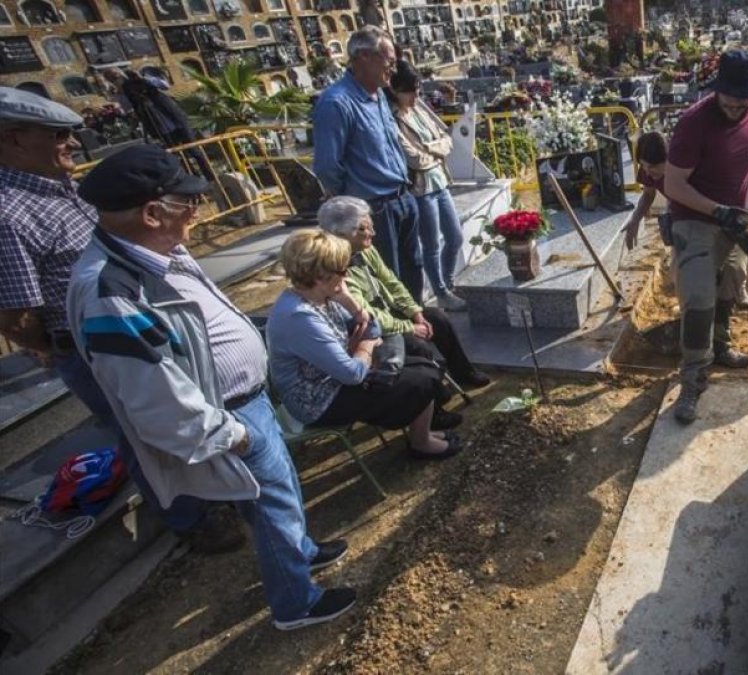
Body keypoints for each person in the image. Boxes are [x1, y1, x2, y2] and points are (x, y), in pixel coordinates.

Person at [68, 144, 355, 630]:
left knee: (279, 494)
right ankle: (296, 603)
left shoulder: (158, 250)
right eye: (188, 203)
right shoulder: (111, 293)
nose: (199, 211)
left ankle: (302, 552)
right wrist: (233, 434)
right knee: (272, 505)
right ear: (153, 212)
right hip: (229, 416)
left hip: (248, 402)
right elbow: (154, 397)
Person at [0, 88, 240, 552]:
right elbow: (14, 314)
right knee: (143, 433)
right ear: (13, 140)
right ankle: (193, 520)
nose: (73, 142)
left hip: (148, 325)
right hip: (96, 344)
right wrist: (56, 346)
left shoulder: (67, 187)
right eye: (58, 135)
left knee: (182, 410)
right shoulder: (8, 213)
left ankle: (216, 489)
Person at [662, 50, 748, 424]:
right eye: (730, 100)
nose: (738, 107)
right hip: (694, 219)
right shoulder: (694, 124)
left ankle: (720, 345)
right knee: (699, 297)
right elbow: (673, 185)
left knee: (731, 283)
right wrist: (717, 210)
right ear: (717, 89)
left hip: (733, 219)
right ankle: (693, 378)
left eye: (744, 100)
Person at [266, 229, 463, 459]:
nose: (347, 274)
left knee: (425, 366)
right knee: (421, 381)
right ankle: (421, 443)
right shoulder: (299, 317)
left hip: (335, 378)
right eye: (342, 269)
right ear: (320, 277)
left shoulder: (322, 296)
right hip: (317, 400)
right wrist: (366, 346)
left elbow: (374, 327)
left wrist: (352, 305)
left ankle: (422, 435)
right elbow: (353, 373)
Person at [316, 196, 490, 393]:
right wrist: (409, 327)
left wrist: (415, 312)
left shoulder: (365, 249)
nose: (372, 233)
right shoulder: (335, 266)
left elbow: (391, 281)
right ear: (341, 234)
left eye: (370, 226)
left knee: (439, 319)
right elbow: (369, 314)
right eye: (363, 229)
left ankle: (463, 372)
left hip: (389, 312)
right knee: (418, 346)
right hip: (368, 328)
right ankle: (433, 401)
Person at [312, 26, 426, 300]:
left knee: (412, 272)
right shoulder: (337, 103)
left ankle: (418, 324)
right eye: (388, 60)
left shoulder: (378, 97)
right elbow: (328, 166)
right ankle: (403, 338)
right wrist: (356, 206)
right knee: (389, 278)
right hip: (373, 209)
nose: (393, 68)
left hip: (402, 199)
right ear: (363, 56)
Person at [623, 131, 748, 309]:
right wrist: (635, 219)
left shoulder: (691, 168)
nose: (648, 172)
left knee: (730, 263)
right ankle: (690, 308)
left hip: (713, 211)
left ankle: (736, 290)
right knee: (682, 268)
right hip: (681, 216)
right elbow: (648, 193)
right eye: (643, 167)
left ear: (670, 160)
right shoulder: (650, 172)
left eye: (652, 167)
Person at [387, 62, 468, 311]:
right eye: (410, 92)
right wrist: (435, 151)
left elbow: (446, 138)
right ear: (395, 90)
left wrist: (432, 149)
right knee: (431, 245)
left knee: (455, 237)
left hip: (440, 181)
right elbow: (413, 158)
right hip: (421, 189)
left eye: (417, 90)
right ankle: (441, 292)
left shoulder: (419, 108)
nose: (415, 96)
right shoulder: (392, 117)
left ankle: (449, 283)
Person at [100, 67, 212, 179]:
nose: (116, 78)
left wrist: (142, 79)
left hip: (174, 118)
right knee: (177, 155)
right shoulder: (122, 93)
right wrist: (123, 93)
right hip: (158, 125)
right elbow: (130, 110)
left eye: (116, 74)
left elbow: (165, 85)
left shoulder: (142, 78)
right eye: (112, 78)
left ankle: (210, 176)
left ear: (121, 72)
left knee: (193, 149)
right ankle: (193, 179)